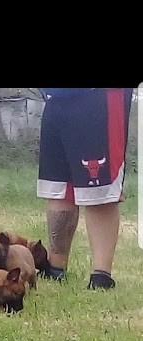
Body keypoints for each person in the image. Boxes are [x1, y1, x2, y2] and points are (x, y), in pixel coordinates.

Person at [37, 88, 134, 289]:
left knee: (98, 190)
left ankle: (101, 276)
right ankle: (55, 269)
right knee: (60, 189)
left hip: (98, 96)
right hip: (56, 98)